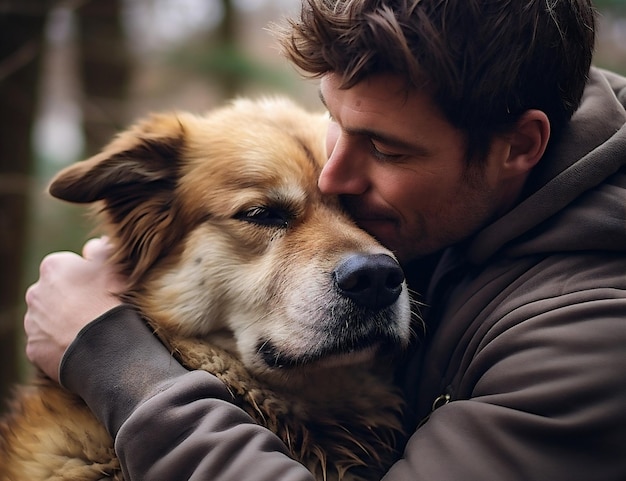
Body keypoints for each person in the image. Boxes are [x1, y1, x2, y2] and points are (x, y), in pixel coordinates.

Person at [23, 0, 626, 480]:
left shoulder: (591, 336)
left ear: (519, 148)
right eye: (336, 124)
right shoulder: (450, 203)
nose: (335, 174)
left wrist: (115, 361)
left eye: (387, 149)